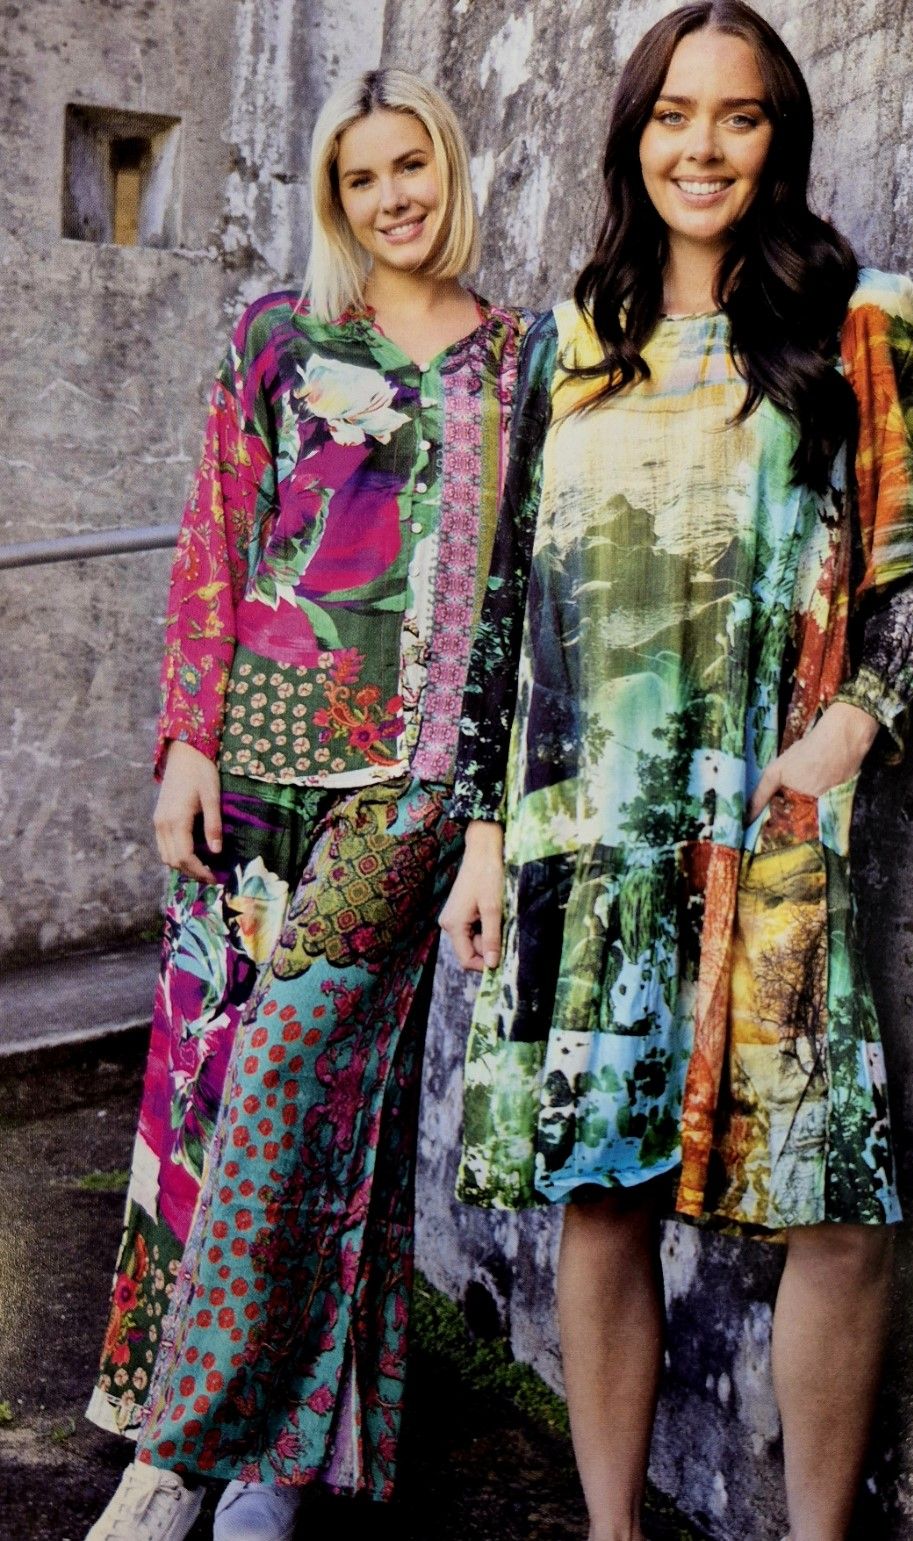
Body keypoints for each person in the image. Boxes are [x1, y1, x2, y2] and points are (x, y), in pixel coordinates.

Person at [438, 5, 913, 1540]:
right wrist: (484, 835)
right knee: (603, 1193)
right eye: (676, 115)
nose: (704, 147)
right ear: (634, 135)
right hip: (584, 840)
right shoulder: (562, 342)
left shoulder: (861, 316)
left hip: (774, 836)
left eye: (739, 119)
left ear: (778, 140)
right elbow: (500, 606)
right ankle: (612, 1531)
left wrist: (849, 726)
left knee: (842, 1205)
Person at [86, 67, 527, 1541]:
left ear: (447, 170)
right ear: (337, 200)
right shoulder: (280, 336)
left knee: (295, 1076)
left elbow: (521, 593)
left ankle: (185, 1453)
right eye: (361, 179)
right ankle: (282, 1463)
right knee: (236, 1094)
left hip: (405, 787)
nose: (393, 196)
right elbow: (215, 536)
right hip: (252, 766)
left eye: (413, 167)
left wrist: (482, 807)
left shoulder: (516, 360)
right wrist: (183, 745)